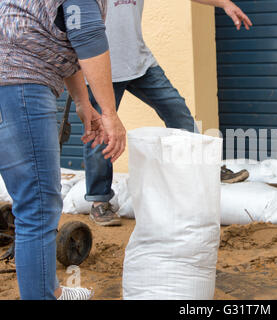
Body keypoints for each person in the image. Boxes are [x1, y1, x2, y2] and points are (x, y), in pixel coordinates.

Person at [83, 0, 253, 227]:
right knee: (100, 134)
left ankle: (207, 168)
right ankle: (99, 201)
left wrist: (224, 4)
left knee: (178, 112)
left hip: (140, 63)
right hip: (101, 69)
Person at [0, 0, 127, 300]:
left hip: (12, 76)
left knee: (31, 201)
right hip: (18, 80)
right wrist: (109, 113)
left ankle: (50, 290)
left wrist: (84, 105)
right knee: (37, 205)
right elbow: (88, 40)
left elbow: (68, 41)